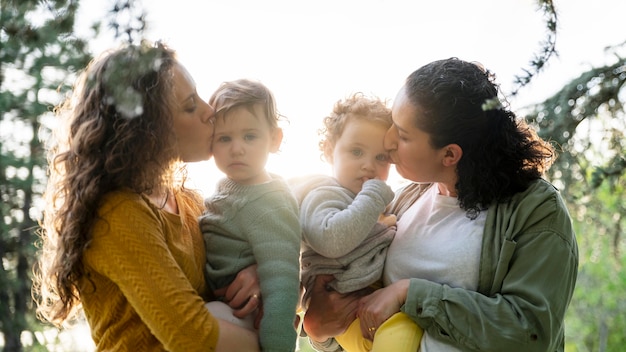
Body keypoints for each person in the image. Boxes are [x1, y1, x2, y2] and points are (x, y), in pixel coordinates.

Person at [302, 58, 579, 352]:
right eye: (392, 123)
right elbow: (359, 315)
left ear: (449, 155)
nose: (388, 140)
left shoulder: (536, 210)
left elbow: (531, 332)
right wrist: (321, 333)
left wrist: (411, 294)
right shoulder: (403, 201)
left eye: (403, 134)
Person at [34, 41, 261, 352]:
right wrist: (272, 341)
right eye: (190, 106)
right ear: (147, 129)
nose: (211, 112)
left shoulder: (190, 203)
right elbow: (191, 334)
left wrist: (256, 275)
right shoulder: (117, 213)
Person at [290, 92, 422, 352]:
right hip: (348, 311)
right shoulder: (324, 192)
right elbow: (331, 239)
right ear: (329, 150)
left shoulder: (368, 204)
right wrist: (374, 196)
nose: (368, 166)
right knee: (402, 331)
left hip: (360, 310)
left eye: (381, 157)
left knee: (404, 331)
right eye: (356, 151)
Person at [200, 78, 302, 352]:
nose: (237, 148)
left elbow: (282, 281)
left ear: (274, 139)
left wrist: (277, 346)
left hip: (248, 319)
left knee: (200, 325)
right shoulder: (228, 187)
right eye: (224, 138)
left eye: (249, 136)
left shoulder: (271, 201)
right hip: (225, 307)